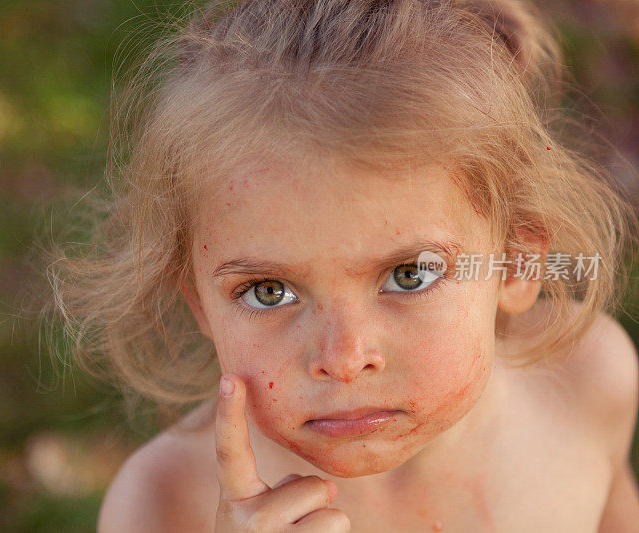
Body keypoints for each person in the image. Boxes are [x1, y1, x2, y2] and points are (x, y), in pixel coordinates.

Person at [44, 0, 639, 530]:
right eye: (269, 291)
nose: (344, 358)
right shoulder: (163, 504)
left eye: (410, 275)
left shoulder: (586, 387)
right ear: (199, 302)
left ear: (514, 266)